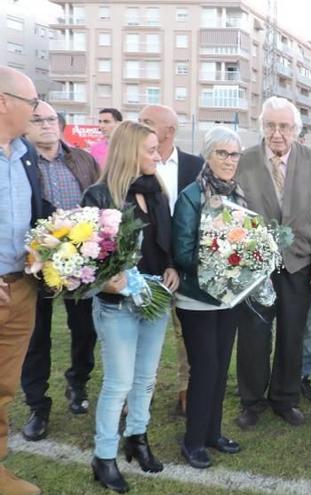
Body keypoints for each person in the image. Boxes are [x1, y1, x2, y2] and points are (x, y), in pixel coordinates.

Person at [82, 121, 180, 492]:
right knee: (119, 383)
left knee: (146, 379)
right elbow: (84, 255)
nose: (158, 155)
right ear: (129, 152)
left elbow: (164, 244)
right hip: (115, 307)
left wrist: (172, 267)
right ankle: (103, 456)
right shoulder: (98, 195)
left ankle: (137, 438)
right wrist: (104, 278)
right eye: (151, 150)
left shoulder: (157, 191)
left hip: (154, 301)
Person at [234, 97, 311, 429]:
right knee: (253, 334)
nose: (277, 133)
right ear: (262, 126)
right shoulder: (243, 162)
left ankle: (285, 398)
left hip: (299, 263)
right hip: (255, 265)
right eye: (270, 126)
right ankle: (251, 401)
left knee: (293, 334)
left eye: (284, 126)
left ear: (296, 129)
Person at [20, 101, 100, 443]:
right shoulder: (19, 163)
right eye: (37, 120)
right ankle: (38, 406)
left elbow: (99, 200)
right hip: (34, 264)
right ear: (26, 126)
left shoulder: (82, 159)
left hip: (80, 262)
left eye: (51, 119)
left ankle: (77, 382)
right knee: (35, 337)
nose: (46, 125)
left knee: (85, 329)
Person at [173, 126, 246, 469]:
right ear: (207, 155)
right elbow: (183, 251)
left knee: (220, 368)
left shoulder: (238, 194)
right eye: (222, 153)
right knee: (205, 368)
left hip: (228, 297)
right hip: (196, 299)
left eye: (234, 154)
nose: (229, 160)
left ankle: (213, 433)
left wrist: (246, 258)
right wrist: (224, 260)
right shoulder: (191, 195)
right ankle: (193, 441)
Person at [0, 66, 49, 495]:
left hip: (21, 286)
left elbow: (36, 214)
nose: (36, 111)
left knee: (4, 385)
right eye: (31, 103)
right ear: (3, 101)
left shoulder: (25, 153)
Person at [138, 104, 202, 417]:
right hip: (146, 267)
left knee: (186, 333)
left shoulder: (195, 165)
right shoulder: (134, 166)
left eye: (148, 123)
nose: (141, 126)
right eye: (139, 122)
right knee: (142, 333)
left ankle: (186, 391)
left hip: (186, 267)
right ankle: (138, 395)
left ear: (169, 131)